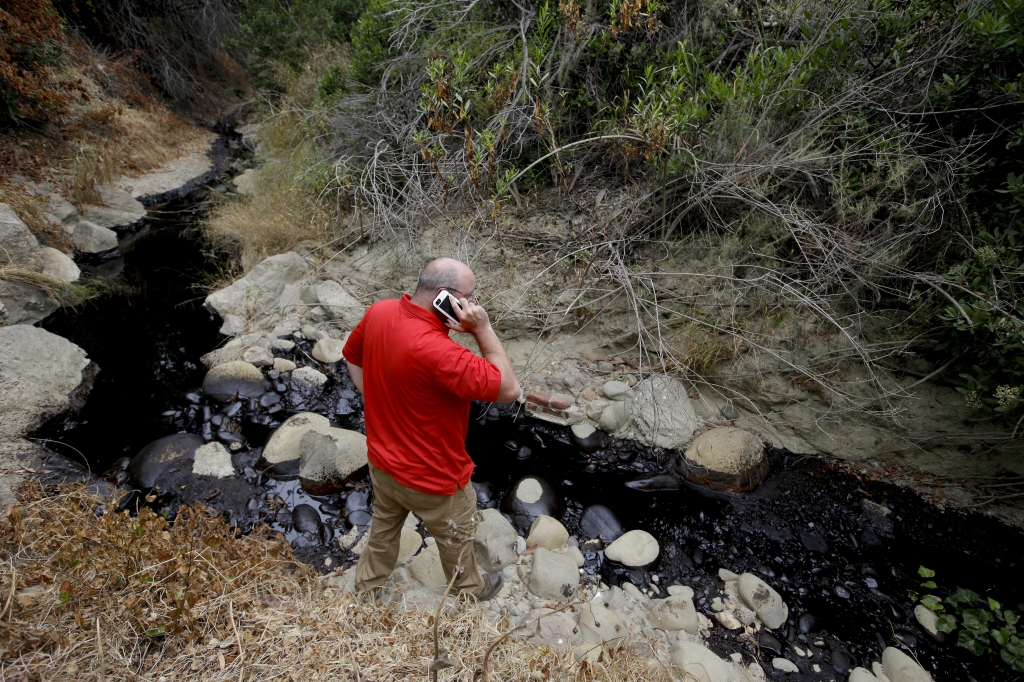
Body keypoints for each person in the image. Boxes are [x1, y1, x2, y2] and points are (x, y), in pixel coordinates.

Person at [342, 257, 521, 600]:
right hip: (436, 481)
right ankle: (471, 591)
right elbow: (509, 388)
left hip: (383, 464)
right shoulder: (442, 353)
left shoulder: (379, 311)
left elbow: (352, 355)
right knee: (456, 541)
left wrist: (376, 399)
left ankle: (366, 590)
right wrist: (482, 328)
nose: (473, 305)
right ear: (444, 296)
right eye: (470, 297)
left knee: (382, 531)